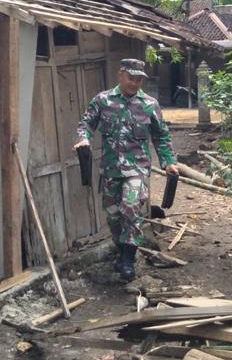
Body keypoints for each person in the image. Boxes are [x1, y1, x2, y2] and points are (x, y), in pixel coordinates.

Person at [74, 59, 179, 281]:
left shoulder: (150, 104)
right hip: (111, 169)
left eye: (139, 79)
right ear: (120, 75)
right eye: (131, 78)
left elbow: (161, 135)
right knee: (114, 216)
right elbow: (86, 124)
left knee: (131, 208)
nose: (135, 83)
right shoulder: (103, 101)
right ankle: (122, 254)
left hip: (137, 169)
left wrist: (168, 161)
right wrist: (83, 140)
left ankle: (129, 260)